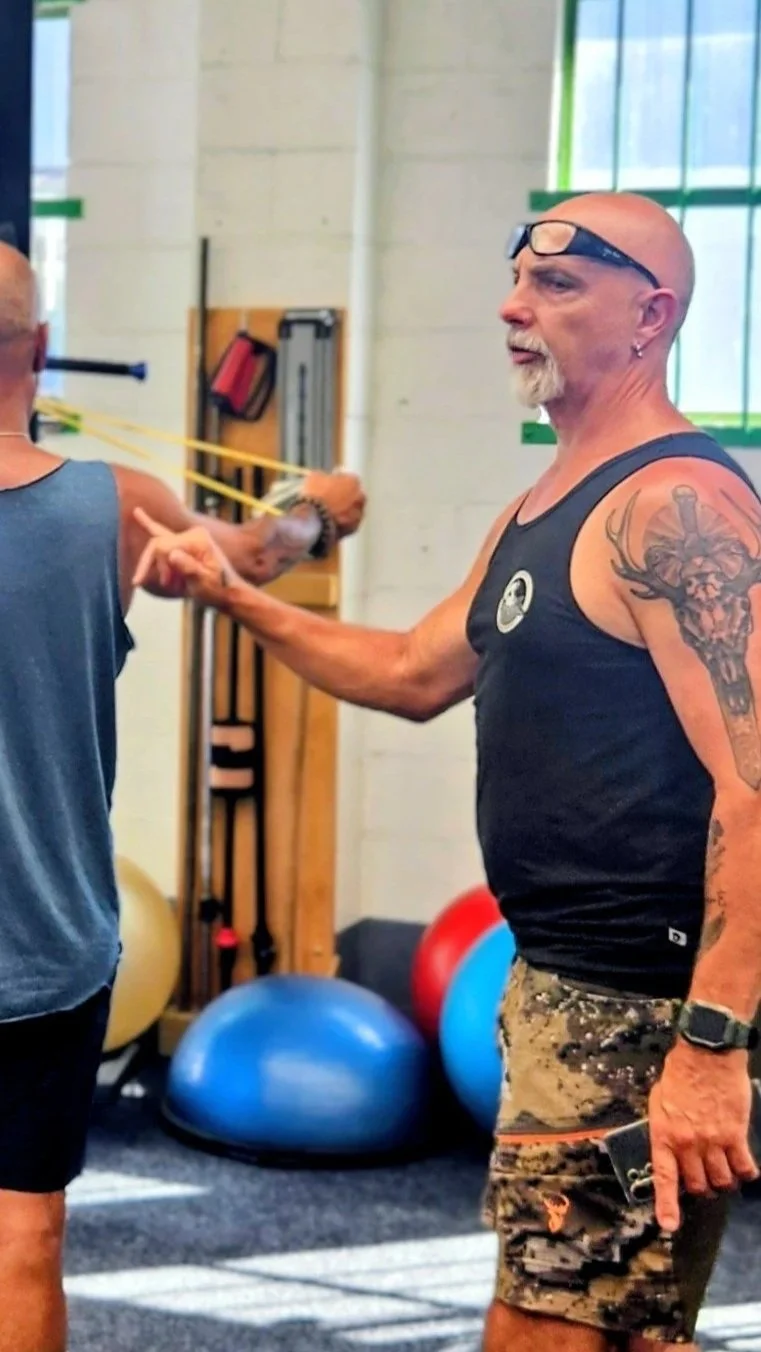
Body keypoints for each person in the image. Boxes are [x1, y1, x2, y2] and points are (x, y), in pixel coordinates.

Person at [133, 190, 761, 1352]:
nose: (513, 307)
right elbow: (411, 671)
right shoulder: (547, 501)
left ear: (650, 316)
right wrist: (234, 595)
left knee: (543, 1325)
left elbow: (755, 784)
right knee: (631, 1325)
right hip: (558, 984)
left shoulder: (676, 507)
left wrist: (711, 1044)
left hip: (631, 1005)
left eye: (556, 284)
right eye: (516, 279)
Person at [0, 239, 365, 1352]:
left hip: (42, 945)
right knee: (22, 1238)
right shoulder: (118, 507)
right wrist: (317, 505)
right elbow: (257, 551)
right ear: (41, 347)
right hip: (48, 943)